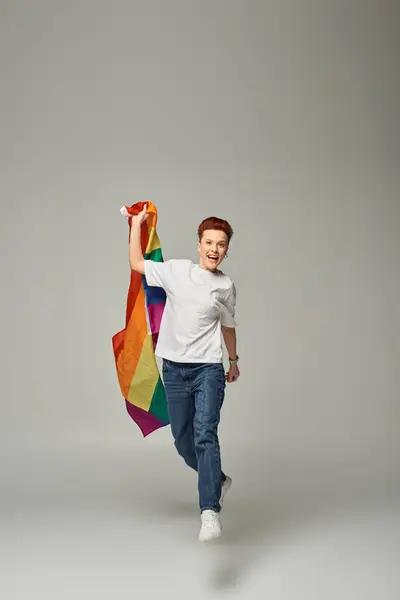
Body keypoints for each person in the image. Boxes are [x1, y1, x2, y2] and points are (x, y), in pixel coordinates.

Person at [128, 204, 240, 542]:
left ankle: (209, 512)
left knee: (205, 433)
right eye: (209, 242)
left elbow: (228, 326)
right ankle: (218, 481)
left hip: (208, 369)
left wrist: (233, 361)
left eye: (220, 244)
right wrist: (136, 225)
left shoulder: (225, 285)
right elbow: (137, 264)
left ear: (226, 249)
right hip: (174, 370)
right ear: (198, 244)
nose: (214, 250)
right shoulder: (177, 271)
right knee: (183, 441)